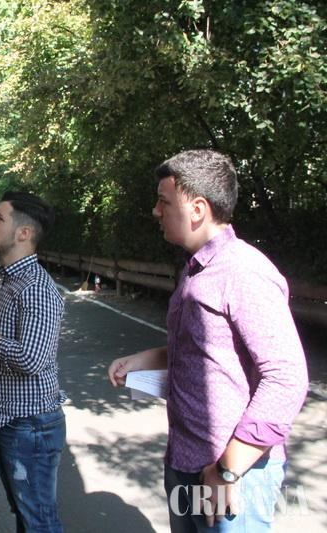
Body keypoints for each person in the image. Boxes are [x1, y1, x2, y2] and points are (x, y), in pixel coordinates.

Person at [107, 150, 308, 532]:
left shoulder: (243, 271)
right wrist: (145, 359)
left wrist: (227, 469)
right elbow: (206, 350)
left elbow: (286, 378)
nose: (155, 211)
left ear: (197, 209)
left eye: (164, 201)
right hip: (186, 462)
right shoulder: (196, 269)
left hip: (232, 477)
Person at [0, 191, 66, 532]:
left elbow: (31, 359)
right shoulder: (14, 280)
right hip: (12, 420)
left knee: (39, 522)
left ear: (24, 233)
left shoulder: (35, 287)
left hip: (29, 426)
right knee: (28, 517)